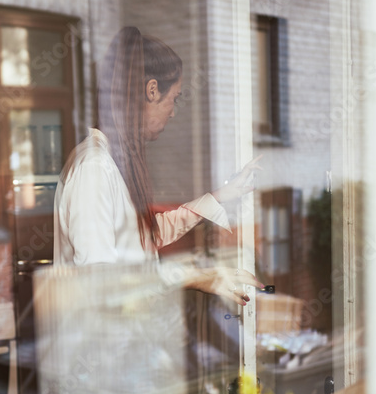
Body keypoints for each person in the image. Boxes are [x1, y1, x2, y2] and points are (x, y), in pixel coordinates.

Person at [53, 26, 262, 305]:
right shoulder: (94, 169)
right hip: (103, 342)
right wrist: (194, 276)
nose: (173, 112)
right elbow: (101, 281)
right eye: (173, 98)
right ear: (152, 90)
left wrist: (215, 199)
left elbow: (142, 238)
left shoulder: (111, 162)